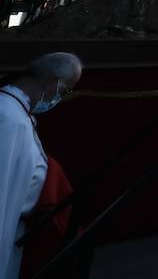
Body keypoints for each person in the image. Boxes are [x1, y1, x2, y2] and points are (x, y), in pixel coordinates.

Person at [0, 53, 82, 279]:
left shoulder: (17, 112)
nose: (60, 98)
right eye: (65, 90)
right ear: (54, 81)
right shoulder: (8, 117)